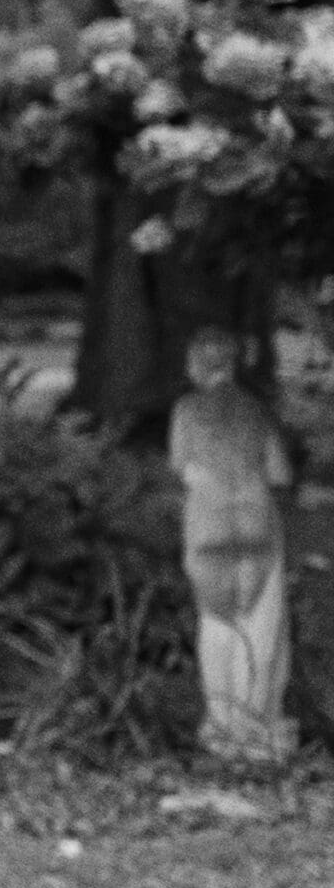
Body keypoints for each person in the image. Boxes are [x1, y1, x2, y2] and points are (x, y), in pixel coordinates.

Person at [168, 326, 299, 766]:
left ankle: (223, 727)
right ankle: (257, 728)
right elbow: (280, 474)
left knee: (218, 624)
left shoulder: (186, 410)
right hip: (258, 524)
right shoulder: (255, 410)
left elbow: (180, 466)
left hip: (208, 529)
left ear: (194, 366)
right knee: (260, 626)